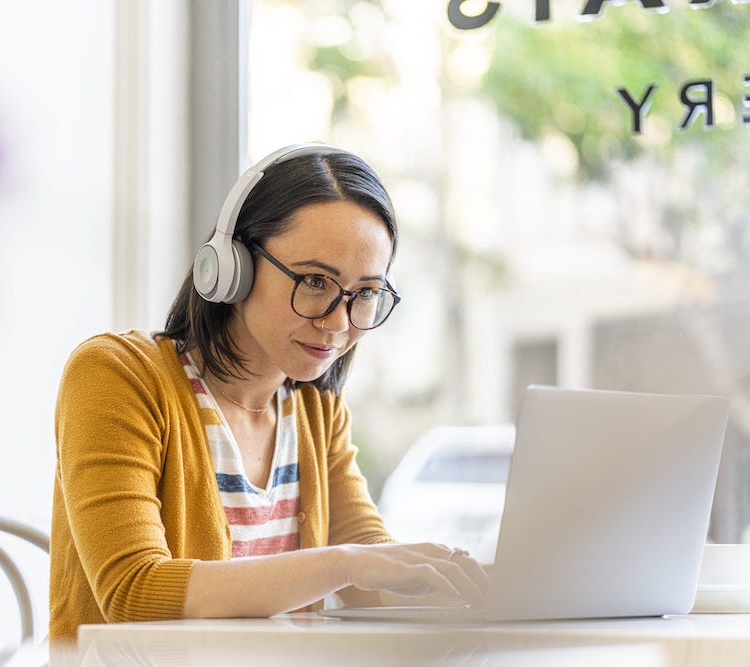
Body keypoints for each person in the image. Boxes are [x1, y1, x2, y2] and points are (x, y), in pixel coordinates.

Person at [49, 143, 487, 639]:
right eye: (316, 281)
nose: (338, 323)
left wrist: (467, 584)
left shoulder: (316, 410)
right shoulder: (116, 376)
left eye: (365, 293)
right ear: (232, 267)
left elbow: (368, 566)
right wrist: (345, 564)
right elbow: (135, 593)